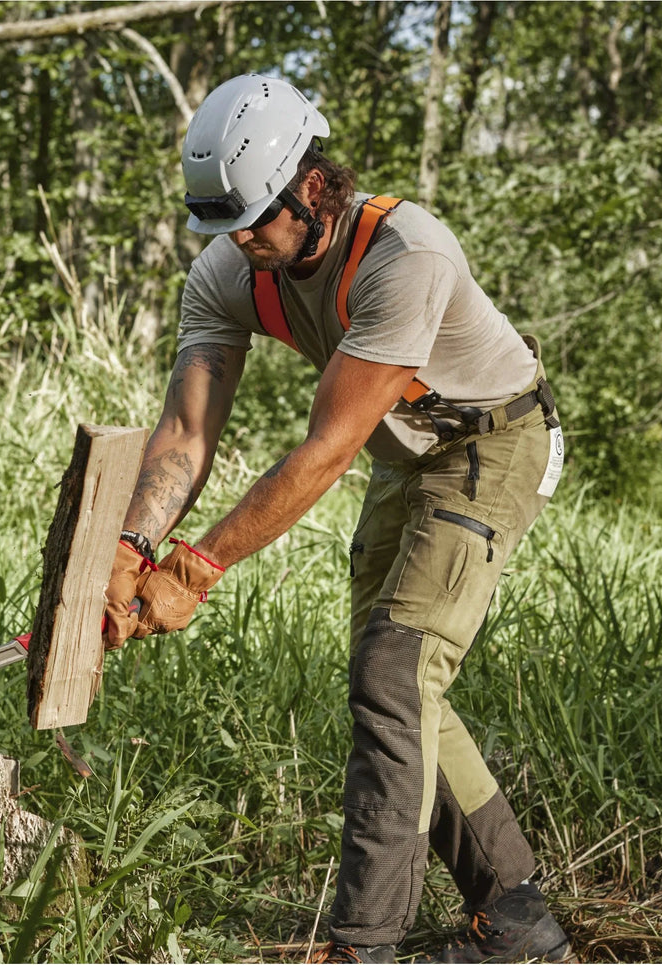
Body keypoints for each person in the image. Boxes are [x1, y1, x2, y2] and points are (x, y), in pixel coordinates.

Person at [100, 73, 572, 964]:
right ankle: (518, 918)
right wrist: (129, 550)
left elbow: (322, 453)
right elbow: (187, 428)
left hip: (492, 441)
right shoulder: (230, 268)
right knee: (393, 681)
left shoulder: (408, 255)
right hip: (406, 457)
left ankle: (364, 945)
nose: (241, 241)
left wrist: (192, 572)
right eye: (224, 226)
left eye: (255, 219)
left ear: (314, 186)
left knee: (394, 670)